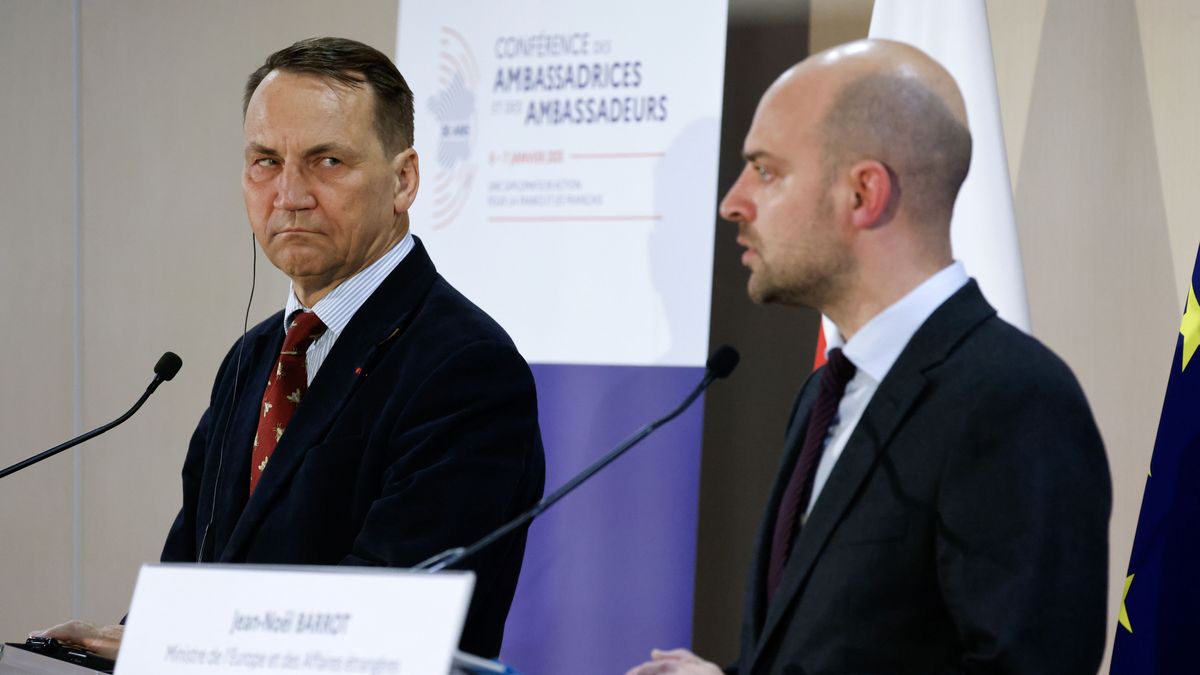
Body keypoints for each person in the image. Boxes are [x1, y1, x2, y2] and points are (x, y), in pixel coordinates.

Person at [37, 37, 545, 659]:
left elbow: (384, 615)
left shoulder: (466, 367)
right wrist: (120, 643)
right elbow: (195, 572)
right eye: (265, 161)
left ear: (404, 180)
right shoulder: (255, 358)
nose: (289, 194)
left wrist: (170, 644)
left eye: (328, 161)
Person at [627, 39, 1111, 675]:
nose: (733, 202)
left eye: (766, 171)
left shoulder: (1013, 400)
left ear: (863, 194)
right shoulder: (826, 395)